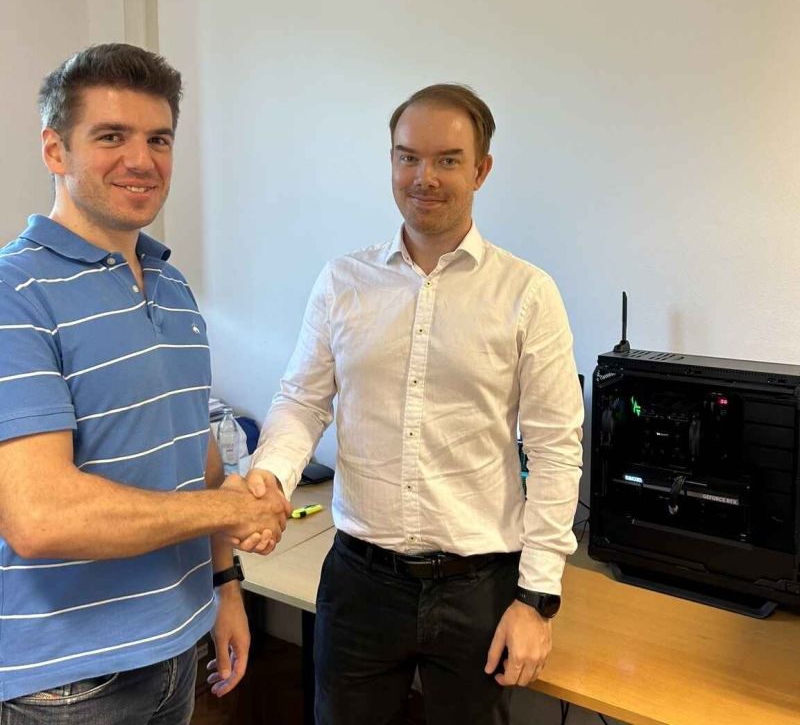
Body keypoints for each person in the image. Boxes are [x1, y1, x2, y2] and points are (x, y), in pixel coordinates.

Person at [245, 83, 584, 724]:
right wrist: (270, 479)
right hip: (360, 582)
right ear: (392, 162)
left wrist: (537, 598)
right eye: (408, 157)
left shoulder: (528, 294)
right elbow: (302, 400)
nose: (424, 177)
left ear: (481, 170)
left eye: (447, 160)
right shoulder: (344, 282)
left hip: (479, 588)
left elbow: (555, 449)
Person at [0, 43, 290, 723]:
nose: (141, 160)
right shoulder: (15, 294)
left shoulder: (170, 282)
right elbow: (40, 517)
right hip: (67, 687)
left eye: (158, 139)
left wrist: (225, 584)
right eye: (111, 136)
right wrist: (226, 511)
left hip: (177, 646)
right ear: (54, 149)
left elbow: (197, 446)